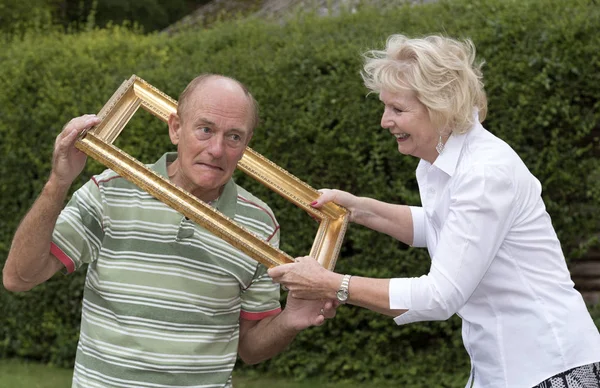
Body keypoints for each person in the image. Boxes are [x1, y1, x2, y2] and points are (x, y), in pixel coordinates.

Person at [268, 35, 600, 387]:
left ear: (440, 106)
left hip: (549, 366)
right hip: (505, 370)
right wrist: (355, 209)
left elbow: (440, 296)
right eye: (385, 107)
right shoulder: (441, 162)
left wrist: (332, 284)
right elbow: (439, 225)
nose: (384, 121)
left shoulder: (484, 173)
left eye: (397, 109)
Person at [3, 74, 335, 388]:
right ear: (175, 128)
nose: (217, 149)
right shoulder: (109, 191)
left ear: (247, 145)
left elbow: (251, 348)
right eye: (205, 129)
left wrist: (291, 319)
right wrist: (58, 182)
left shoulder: (260, 223)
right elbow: (20, 277)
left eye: (234, 136)